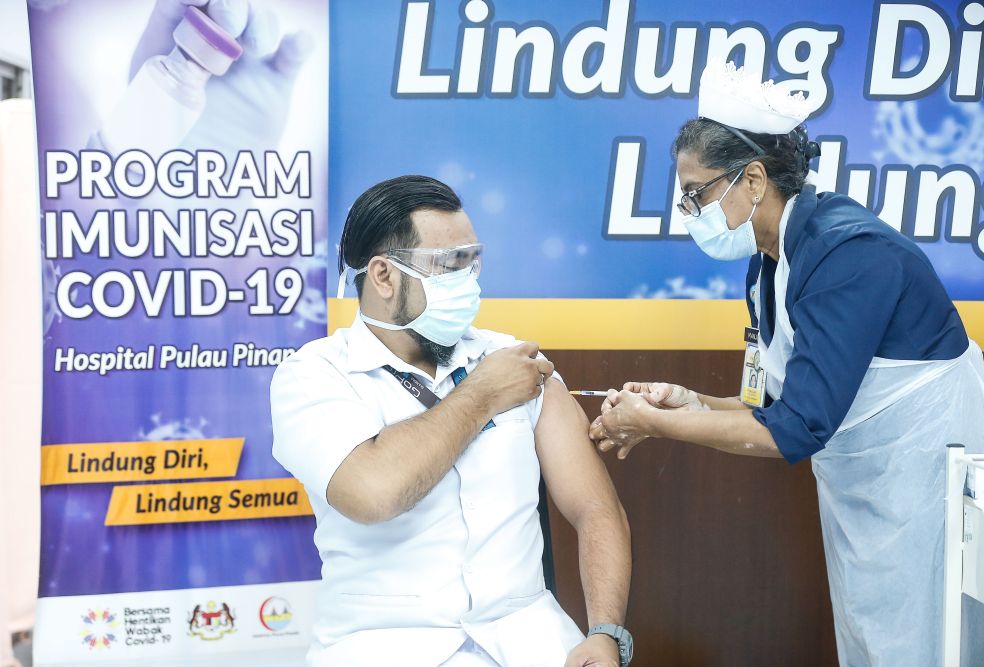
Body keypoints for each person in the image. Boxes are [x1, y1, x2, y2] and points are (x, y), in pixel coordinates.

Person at [589, 61, 984, 666]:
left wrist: (655, 424)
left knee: (930, 648)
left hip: (929, 487)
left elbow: (796, 429)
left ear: (752, 179)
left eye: (696, 193)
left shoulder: (849, 255)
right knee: (874, 645)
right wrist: (689, 402)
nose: (688, 210)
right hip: (866, 488)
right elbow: (774, 404)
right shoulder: (771, 261)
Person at [271, 176, 633, 667]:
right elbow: (372, 493)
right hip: (383, 645)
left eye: (472, 260)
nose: (469, 281)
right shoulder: (314, 376)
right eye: (449, 265)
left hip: (531, 638)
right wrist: (482, 394)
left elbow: (594, 506)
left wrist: (606, 632)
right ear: (383, 276)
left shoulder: (514, 360)